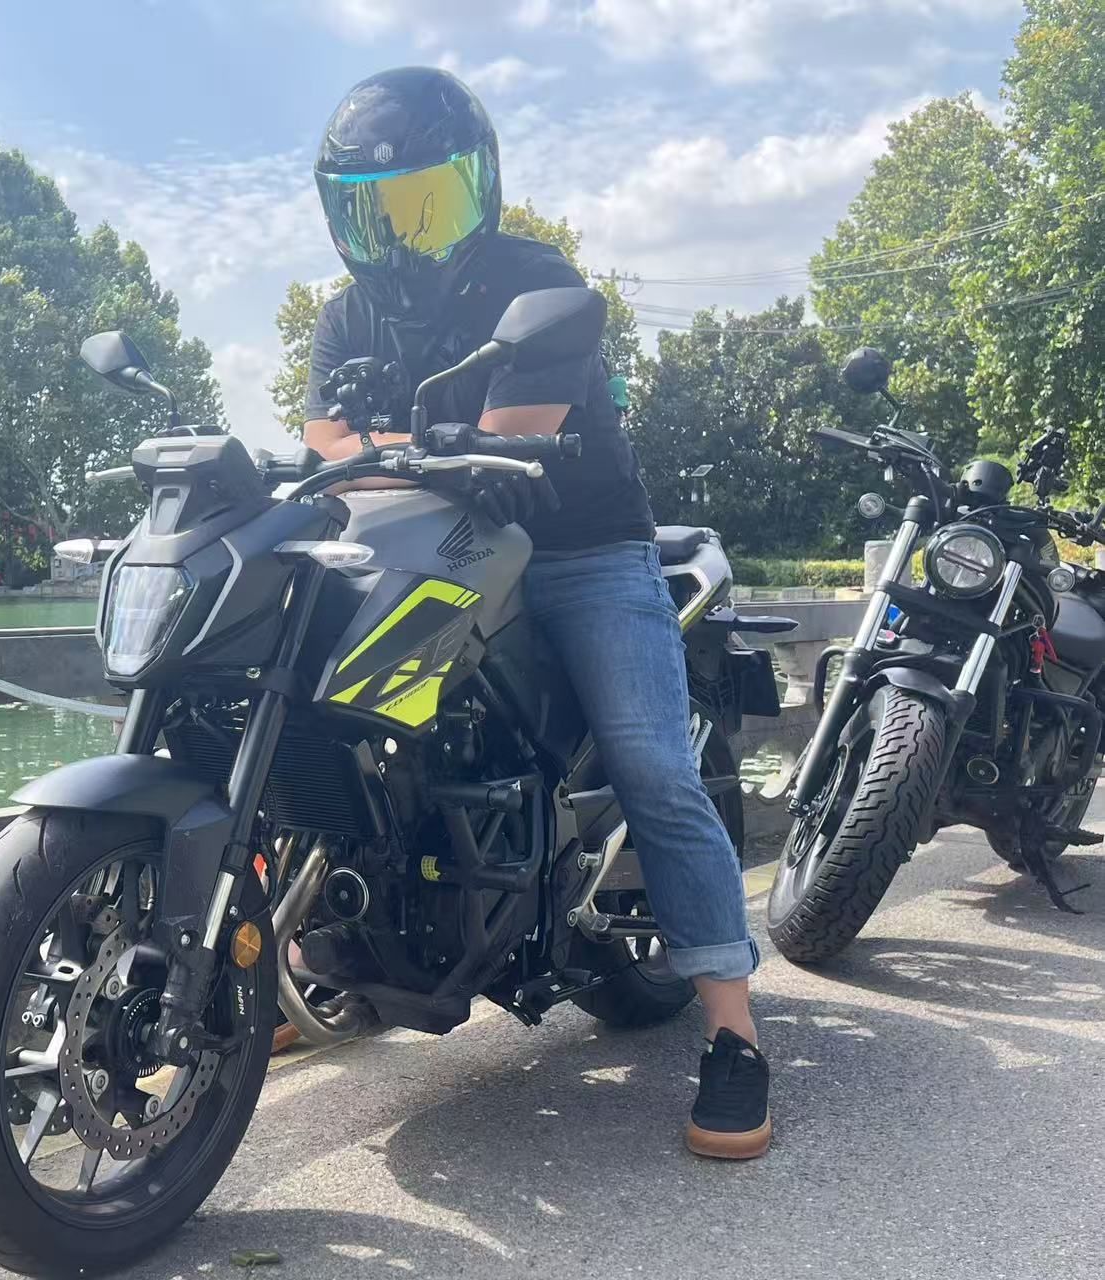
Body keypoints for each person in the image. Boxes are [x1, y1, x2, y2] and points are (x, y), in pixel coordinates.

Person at [303, 66, 770, 1160]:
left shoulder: (535, 280)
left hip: (577, 550)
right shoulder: (344, 315)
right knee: (326, 728)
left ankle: (735, 1032)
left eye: (426, 203)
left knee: (653, 766)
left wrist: (378, 451)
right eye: (376, 210)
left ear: (480, 188)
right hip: (422, 548)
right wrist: (375, 456)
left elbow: (506, 440)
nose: (403, 234)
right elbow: (327, 447)